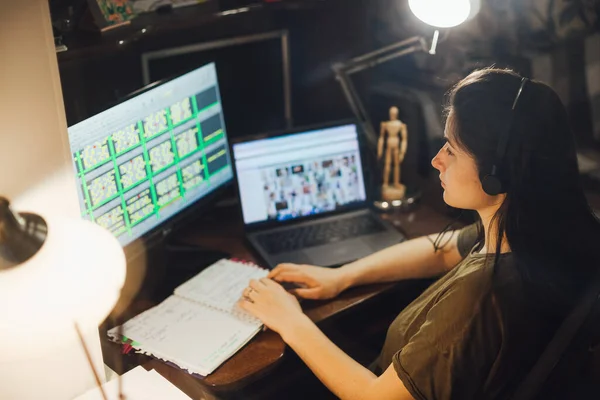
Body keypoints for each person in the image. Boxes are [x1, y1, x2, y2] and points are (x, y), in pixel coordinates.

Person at [237, 68, 600, 399]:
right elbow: (441, 250)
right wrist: (341, 276)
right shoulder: (543, 226)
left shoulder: (480, 297)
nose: (436, 159)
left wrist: (290, 321)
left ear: (496, 174)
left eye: (452, 150)